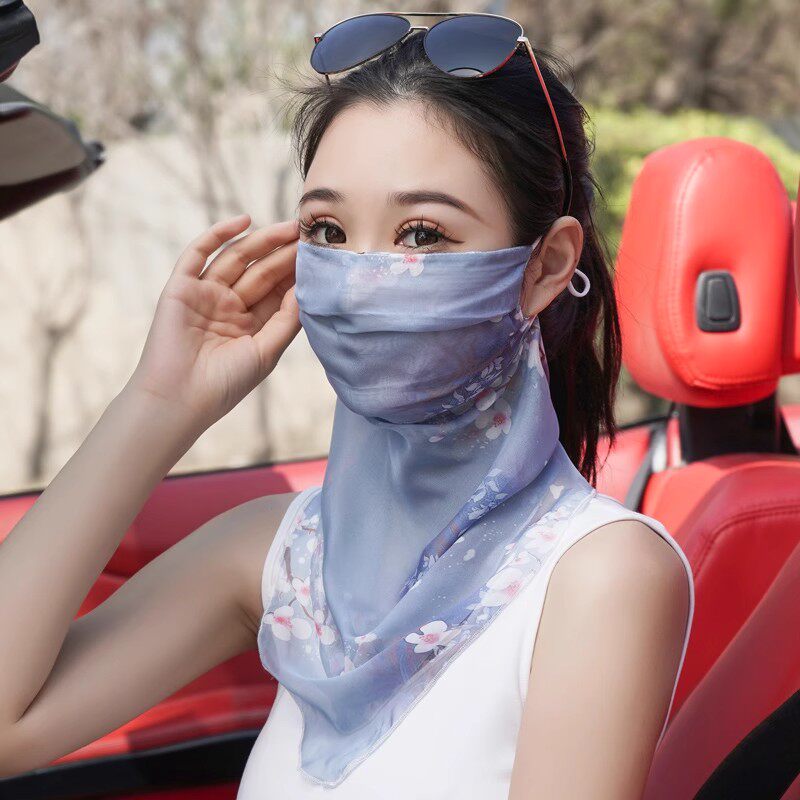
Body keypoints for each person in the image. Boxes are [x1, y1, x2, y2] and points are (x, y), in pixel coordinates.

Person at [0, 17, 694, 800]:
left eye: (421, 235)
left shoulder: (599, 576)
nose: (360, 279)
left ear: (545, 267)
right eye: (327, 230)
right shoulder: (283, 553)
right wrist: (160, 403)